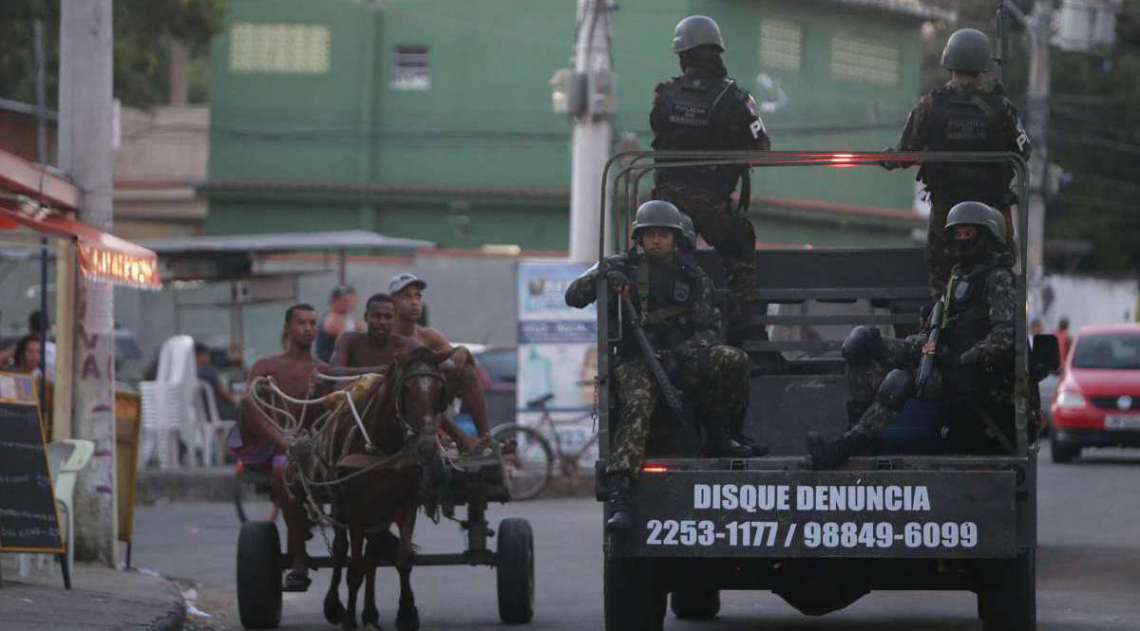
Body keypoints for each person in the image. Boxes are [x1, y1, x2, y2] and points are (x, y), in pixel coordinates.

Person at [565, 200, 760, 532]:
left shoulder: (693, 277)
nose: (656, 241)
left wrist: (680, 354)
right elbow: (573, 296)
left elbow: (711, 330)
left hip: (680, 361)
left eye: (663, 235)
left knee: (732, 360)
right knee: (638, 401)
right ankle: (622, 491)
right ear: (639, 238)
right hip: (636, 361)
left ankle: (721, 433)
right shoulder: (618, 267)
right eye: (650, 234)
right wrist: (602, 275)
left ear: (675, 238)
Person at [807, 202, 1017, 468]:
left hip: (970, 374)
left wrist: (969, 356)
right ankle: (861, 429)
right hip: (939, 352)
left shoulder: (998, 278)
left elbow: (1006, 334)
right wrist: (919, 342)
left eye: (969, 233)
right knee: (860, 343)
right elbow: (938, 327)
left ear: (988, 236)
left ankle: (847, 446)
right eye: (958, 233)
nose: (962, 240)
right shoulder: (957, 277)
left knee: (899, 380)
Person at [885, 28, 1030, 301]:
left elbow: (905, 153)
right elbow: (1025, 151)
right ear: (985, 66)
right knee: (1000, 279)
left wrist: (888, 159)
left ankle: (938, 334)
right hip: (994, 214)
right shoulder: (1002, 108)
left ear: (949, 61)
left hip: (947, 214)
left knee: (942, 287)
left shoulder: (930, 105)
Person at [650, 15, 772, 340]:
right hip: (709, 201)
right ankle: (744, 325)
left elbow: (659, 134)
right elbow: (761, 147)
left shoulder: (665, 95)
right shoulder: (734, 98)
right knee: (742, 239)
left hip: (665, 204)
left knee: (659, 259)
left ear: (683, 55)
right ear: (716, 52)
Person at [236, 303, 325, 591]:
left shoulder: (323, 371)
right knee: (282, 469)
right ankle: (298, 558)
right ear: (287, 329)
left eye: (313, 323)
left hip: (317, 450)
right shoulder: (266, 366)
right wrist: (261, 393)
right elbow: (249, 408)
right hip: (279, 449)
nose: (308, 328)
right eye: (301, 323)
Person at [328, 292, 481, 452]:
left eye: (387, 317)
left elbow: (446, 365)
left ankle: (466, 438)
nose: (382, 321)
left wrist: (461, 353)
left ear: (394, 319)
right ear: (366, 317)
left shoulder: (405, 345)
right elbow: (334, 371)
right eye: (376, 316)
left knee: (422, 395)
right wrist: (386, 370)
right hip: (354, 413)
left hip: (394, 417)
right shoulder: (349, 340)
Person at [388, 273, 493, 452]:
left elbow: (460, 358)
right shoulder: (385, 334)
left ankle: (486, 439)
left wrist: (459, 353)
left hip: (430, 400)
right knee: (422, 388)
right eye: (407, 296)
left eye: (418, 296)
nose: (414, 302)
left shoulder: (427, 335)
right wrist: (456, 355)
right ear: (393, 303)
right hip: (396, 404)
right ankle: (461, 439)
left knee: (465, 373)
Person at [314, 285, 362, 362]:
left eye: (352, 301)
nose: (350, 304)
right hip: (331, 364)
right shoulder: (333, 319)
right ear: (335, 301)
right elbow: (345, 342)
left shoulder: (347, 317)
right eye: (345, 301)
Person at [194, 342, 237, 420]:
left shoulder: (191, 374)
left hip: (199, 418)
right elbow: (226, 397)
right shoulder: (209, 372)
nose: (209, 357)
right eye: (207, 354)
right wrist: (238, 400)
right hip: (220, 416)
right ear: (201, 355)